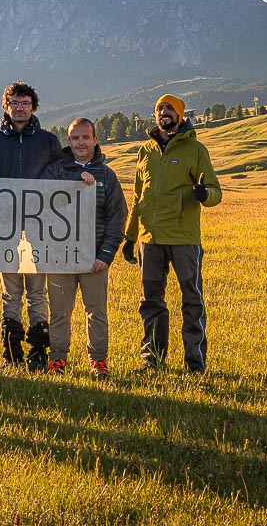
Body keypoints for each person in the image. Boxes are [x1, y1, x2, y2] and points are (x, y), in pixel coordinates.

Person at [123, 94, 221, 374]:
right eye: (159, 109)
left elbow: (216, 192)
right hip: (149, 240)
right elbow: (137, 197)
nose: (163, 113)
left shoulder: (196, 150)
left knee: (191, 300)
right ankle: (152, 361)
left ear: (179, 115)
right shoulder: (145, 150)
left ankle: (194, 365)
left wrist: (204, 194)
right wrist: (130, 237)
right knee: (150, 302)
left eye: (169, 109)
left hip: (183, 240)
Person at [0, 80, 60, 371]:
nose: (20, 108)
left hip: (40, 229)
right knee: (11, 293)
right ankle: (11, 356)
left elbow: (60, 180)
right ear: (6, 107)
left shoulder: (49, 142)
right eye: (14, 103)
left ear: (34, 106)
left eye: (25, 103)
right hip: (4, 230)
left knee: (38, 292)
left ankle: (39, 354)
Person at [40, 118, 126, 379]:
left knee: (96, 313)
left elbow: (117, 217)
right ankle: (57, 360)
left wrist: (106, 255)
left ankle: (98, 362)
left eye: (85, 137)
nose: (80, 143)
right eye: (75, 138)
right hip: (60, 258)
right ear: (69, 141)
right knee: (59, 313)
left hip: (94, 259)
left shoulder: (106, 175)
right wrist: (76, 180)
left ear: (95, 140)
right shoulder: (54, 171)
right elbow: (40, 204)